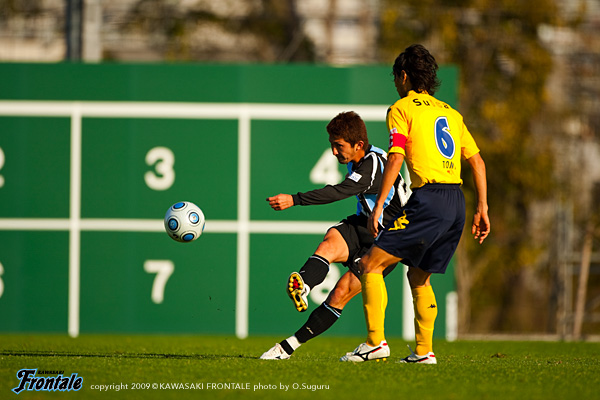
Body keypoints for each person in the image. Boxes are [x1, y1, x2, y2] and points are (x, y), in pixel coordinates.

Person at [340, 44, 490, 363]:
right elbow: (477, 162)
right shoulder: (450, 112)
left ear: (404, 76)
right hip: (457, 203)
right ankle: (424, 352)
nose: (396, 84)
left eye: (396, 78)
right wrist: (483, 208)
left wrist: (379, 204)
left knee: (370, 264)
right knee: (419, 276)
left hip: (430, 199)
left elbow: (396, 155)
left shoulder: (401, 108)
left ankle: (374, 343)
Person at [259, 111, 410, 360]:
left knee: (340, 293)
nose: (333, 152)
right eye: (332, 145)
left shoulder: (372, 165)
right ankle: (305, 285)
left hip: (388, 239)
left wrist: (294, 200)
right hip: (364, 225)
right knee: (331, 239)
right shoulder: (359, 159)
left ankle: (287, 348)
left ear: (358, 145)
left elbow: (338, 192)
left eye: (338, 146)